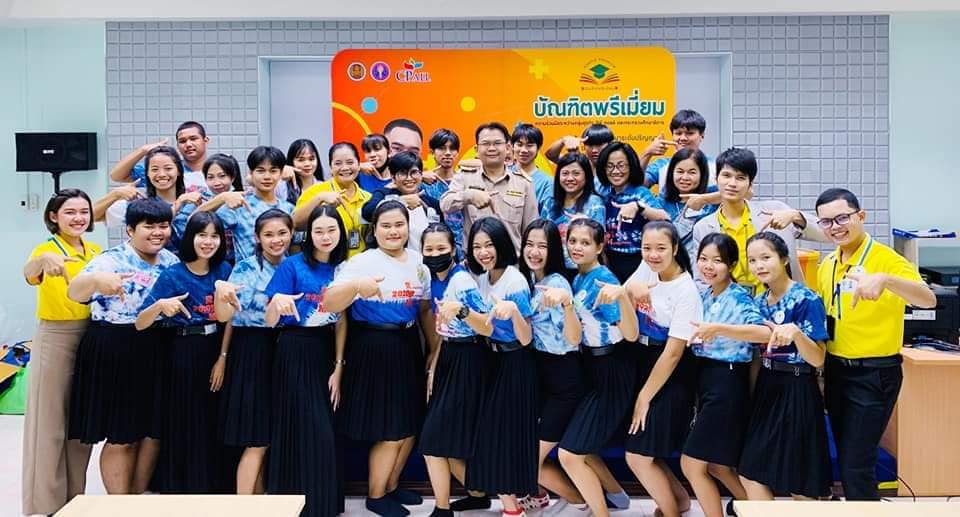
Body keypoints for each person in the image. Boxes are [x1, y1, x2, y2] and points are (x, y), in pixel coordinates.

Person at [814, 188, 935, 500]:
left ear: (861, 216)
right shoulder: (828, 263)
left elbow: (927, 299)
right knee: (847, 458)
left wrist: (886, 280)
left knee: (857, 463)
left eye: (842, 218)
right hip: (837, 370)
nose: (835, 227)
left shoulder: (886, 259)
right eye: (826, 222)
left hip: (874, 374)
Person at [323, 200, 434, 517]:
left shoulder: (420, 261)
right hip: (374, 346)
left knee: (409, 424)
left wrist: (433, 350)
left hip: (408, 344)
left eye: (399, 225)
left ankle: (391, 485)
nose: (393, 231)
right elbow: (330, 303)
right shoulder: (361, 262)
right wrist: (357, 286)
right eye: (386, 226)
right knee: (390, 428)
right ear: (375, 229)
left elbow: (425, 309)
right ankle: (376, 495)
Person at [67, 198, 180, 494]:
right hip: (115, 346)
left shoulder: (170, 261)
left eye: (163, 226)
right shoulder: (110, 261)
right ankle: (119, 505)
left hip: (157, 346)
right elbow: (74, 292)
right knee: (122, 433)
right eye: (149, 226)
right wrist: (95, 280)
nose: (158, 232)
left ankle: (135, 499)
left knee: (152, 431)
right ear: (130, 229)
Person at [263, 205, 350, 517]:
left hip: (326, 351)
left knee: (325, 428)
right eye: (318, 231)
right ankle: (293, 504)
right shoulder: (292, 266)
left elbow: (342, 321)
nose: (325, 237)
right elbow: (270, 320)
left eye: (331, 230)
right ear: (308, 235)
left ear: (341, 233)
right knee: (298, 426)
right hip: (294, 350)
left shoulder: (344, 268)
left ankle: (323, 504)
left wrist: (338, 367)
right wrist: (277, 303)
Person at [135, 211, 231, 494]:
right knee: (187, 417)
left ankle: (215, 486)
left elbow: (230, 320)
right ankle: (184, 487)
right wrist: (159, 306)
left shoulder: (224, 270)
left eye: (214, 236)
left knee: (214, 417)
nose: (208, 242)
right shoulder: (173, 274)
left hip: (217, 348)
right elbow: (140, 323)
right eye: (202, 235)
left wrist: (223, 358)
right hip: (183, 351)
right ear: (191, 237)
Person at [21, 190, 101, 516]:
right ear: (54, 217)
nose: (78, 218)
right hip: (55, 337)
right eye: (70, 212)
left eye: (84, 211)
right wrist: (42, 262)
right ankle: (46, 505)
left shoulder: (95, 251)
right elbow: (29, 271)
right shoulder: (47, 249)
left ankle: (74, 500)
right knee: (49, 424)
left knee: (80, 427)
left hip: (91, 336)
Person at [554, 218, 640, 517]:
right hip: (592, 365)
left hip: (613, 368)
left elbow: (630, 334)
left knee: (570, 454)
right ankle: (618, 497)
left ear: (600, 247)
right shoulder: (579, 277)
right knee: (583, 445)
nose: (577, 247)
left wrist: (622, 297)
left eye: (585, 242)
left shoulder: (604, 280)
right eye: (572, 241)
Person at [738, 232, 832, 500]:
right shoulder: (758, 302)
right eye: (752, 260)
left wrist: (797, 335)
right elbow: (757, 357)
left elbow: (818, 358)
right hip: (767, 386)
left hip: (798, 387)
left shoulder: (806, 299)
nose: (759, 265)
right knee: (750, 471)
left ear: (784, 259)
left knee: (799, 481)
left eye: (766, 257)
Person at [685, 233, 771, 517]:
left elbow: (764, 332)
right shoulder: (704, 293)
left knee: (691, 464)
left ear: (732, 265)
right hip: (705, 380)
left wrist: (719, 329)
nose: (708, 266)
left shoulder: (739, 297)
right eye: (703, 259)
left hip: (727, 382)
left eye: (717, 261)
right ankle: (759, 511)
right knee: (719, 466)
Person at [214, 209, 293, 495]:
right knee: (256, 436)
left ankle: (258, 500)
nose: (276, 240)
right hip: (252, 350)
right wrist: (223, 356)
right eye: (268, 235)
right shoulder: (246, 268)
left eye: (282, 233)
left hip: (284, 349)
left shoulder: (293, 264)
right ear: (257, 238)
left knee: (267, 436)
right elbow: (230, 317)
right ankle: (244, 505)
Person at [623, 222, 700, 517]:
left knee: (638, 456)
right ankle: (678, 502)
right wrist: (632, 288)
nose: (653, 255)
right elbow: (625, 291)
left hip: (671, 373)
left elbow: (673, 353)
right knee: (646, 451)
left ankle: (670, 512)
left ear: (676, 248)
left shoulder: (686, 289)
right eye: (646, 248)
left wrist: (644, 397)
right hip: (643, 361)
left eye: (661, 248)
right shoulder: (647, 268)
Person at [462, 217, 537, 517]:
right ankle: (525, 499)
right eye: (477, 246)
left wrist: (514, 312)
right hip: (491, 359)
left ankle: (512, 509)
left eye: (489, 245)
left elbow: (526, 337)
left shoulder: (514, 281)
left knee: (499, 436)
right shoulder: (483, 277)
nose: (483, 252)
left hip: (515, 362)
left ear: (502, 245)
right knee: (494, 434)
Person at [419, 222, 494, 517]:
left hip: (468, 358)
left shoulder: (461, 281)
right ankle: (478, 494)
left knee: (432, 442)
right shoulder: (435, 278)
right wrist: (435, 365)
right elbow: (443, 330)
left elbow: (486, 326)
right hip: (449, 355)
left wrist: (462, 311)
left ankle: (442, 509)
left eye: (441, 248)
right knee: (443, 441)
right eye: (429, 249)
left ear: (453, 249)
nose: (434, 253)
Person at [517, 219, 589, 514]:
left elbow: (573, 338)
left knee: (527, 459)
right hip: (545, 377)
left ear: (554, 250)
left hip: (564, 380)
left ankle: (580, 503)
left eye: (542, 246)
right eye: (529, 244)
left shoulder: (556, 284)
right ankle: (546, 496)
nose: (534, 251)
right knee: (529, 453)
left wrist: (567, 305)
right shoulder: (531, 279)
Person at [691, 147, 824, 294]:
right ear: (717, 179)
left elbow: (826, 233)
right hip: (731, 304)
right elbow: (701, 280)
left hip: (780, 301)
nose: (732, 183)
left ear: (750, 184)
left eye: (740, 178)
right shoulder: (704, 228)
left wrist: (796, 216)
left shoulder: (774, 211)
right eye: (726, 175)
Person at [440, 122, 538, 252]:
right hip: (477, 259)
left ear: (508, 147)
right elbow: (445, 204)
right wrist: (469, 196)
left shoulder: (523, 183)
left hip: (512, 260)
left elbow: (531, 230)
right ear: (477, 149)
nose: (491, 148)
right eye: (485, 144)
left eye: (497, 143)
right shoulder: (465, 176)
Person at [196, 146, 294, 262]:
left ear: (281, 173)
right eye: (260, 171)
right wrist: (221, 198)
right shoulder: (239, 205)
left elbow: (294, 247)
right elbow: (195, 222)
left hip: (283, 272)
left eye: (273, 171)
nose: (267, 177)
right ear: (251, 173)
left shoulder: (288, 208)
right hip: (247, 272)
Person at [105, 146, 205, 254]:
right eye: (155, 169)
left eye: (168, 168)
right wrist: (114, 195)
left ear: (179, 171)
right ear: (147, 173)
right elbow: (95, 216)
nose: (162, 174)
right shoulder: (139, 202)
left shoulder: (193, 199)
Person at [594, 141, 668, 282]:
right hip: (609, 261)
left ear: (631, 166)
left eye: (621, 165)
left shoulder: (640, 193)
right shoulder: (605, 194)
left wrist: (639, 207)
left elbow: (665, 219)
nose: (615, 171)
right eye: (610, 166)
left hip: (637, 262)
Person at [294, 142, 372, 258]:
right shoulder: (315, 191)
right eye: (338, 163)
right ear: (331, 167)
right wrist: (319, 199)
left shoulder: (368, 198)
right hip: (327, 262)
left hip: (359, 262)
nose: (345, 168)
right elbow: (295, 223)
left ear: (358, 165)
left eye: (350, 162)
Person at [361, 151, 443, 251]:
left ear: (421, 175)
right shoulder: (383, 194)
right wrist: (400, 201)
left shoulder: (432, 203)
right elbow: (367, 213)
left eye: (414, 172)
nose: (409, 178)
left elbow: (442, 235)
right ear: (393, 177)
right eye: (403, 173)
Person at [540, 152, 606, 275]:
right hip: (553, 268)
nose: (570, 178)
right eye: (565, 173)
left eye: (576, 173)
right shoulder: (550, 203)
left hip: (583, 269)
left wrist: (585, 224)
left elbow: (601, 241)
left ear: (586, 176)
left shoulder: (595, 203)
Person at [659, 148, 720, 260]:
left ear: (702, 174)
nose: (685, 177)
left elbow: (745, 194)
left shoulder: (712, 193)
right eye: (680, 171)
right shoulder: (664, 198)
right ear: (671, 173)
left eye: (692, 172)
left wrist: (704, 199)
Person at [109, 121, 210, 189]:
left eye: (193, 139)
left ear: (205, 141)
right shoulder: (167, 169)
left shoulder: (216, 168)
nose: (188, 144)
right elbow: (116, 176)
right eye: (182, 141)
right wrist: (143, 150)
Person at [640, 109, 715, 191]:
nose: (683, 138)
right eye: (678, 133)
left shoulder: (715, 166)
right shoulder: (661, 165)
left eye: (690, 133)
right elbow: (636, 186)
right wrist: (647, 153)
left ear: (702, 135)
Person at [422, 129, 466, 259]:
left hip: (464, 250)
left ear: (457, 153)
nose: (447, 153)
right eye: (442, 148)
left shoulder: (465, 182)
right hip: (434, 251)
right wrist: (419, 176)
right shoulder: (423, 184)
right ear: (432, 152)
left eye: (452, 148)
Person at [202, 153, 244, 264]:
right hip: (208, 258)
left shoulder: (242, 199)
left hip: (237, 260)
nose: (217, 182)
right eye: (210, 177)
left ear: (232, 177)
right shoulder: (200, 200)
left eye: (222, 176)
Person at [511, 124, 553, 212]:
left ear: (538, 148)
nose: (524, 150)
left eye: (529, 145)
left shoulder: (547, 182)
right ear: (512, 146)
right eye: (519, 144)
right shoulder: (503, 174)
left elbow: (546, 215)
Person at [544, 124, 615, 170]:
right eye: (590, 145)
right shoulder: (581, 163)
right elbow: (551, 156)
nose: (594, 150)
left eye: (599, 144)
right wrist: (563, 140)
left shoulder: (617, 165)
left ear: (610, 144)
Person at [280, 138, 325, 206]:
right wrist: (279, 175)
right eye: (301, 160)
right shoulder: (282, 187)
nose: (307, 164)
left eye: (311, 159)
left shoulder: (324, 187)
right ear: (291, 162)